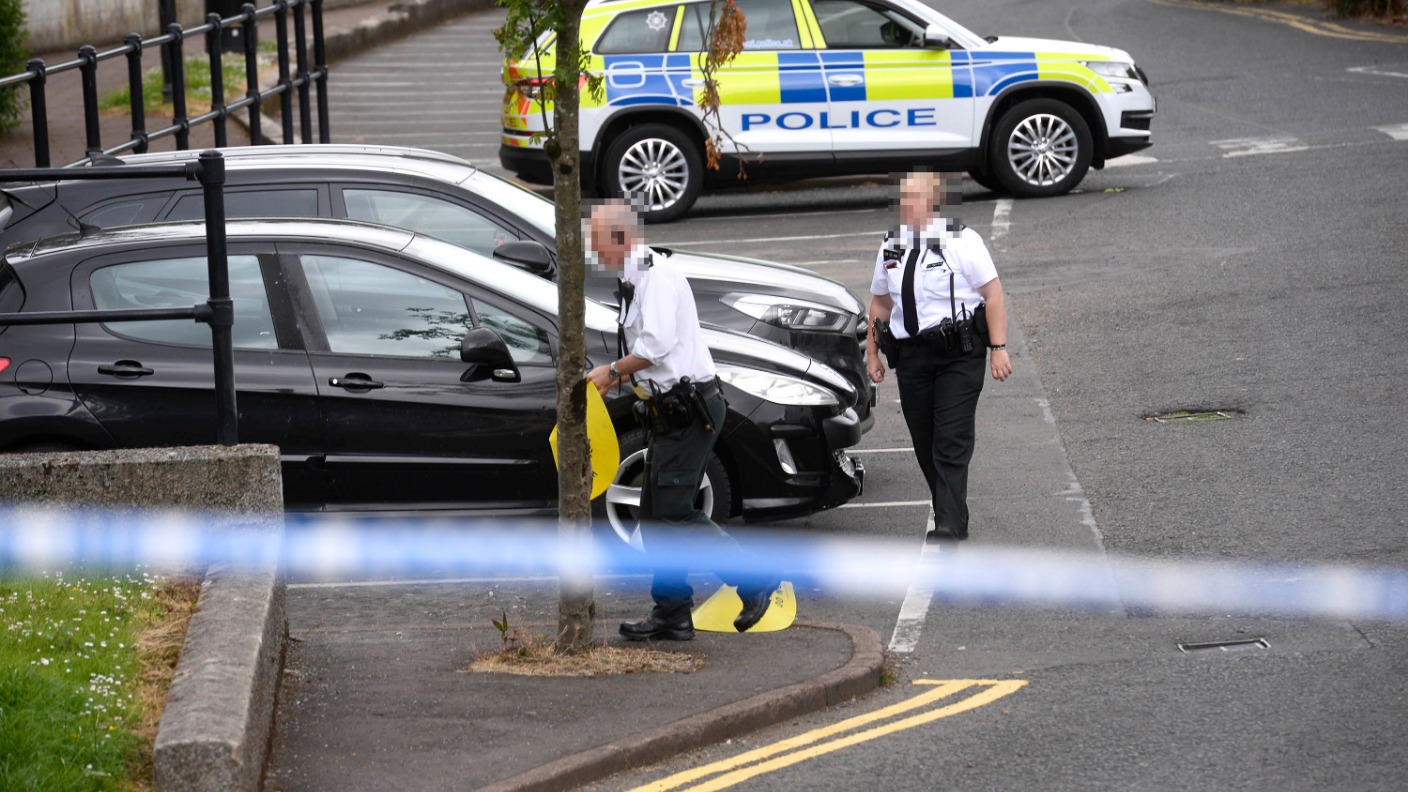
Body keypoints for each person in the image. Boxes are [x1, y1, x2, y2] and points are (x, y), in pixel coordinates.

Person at [585, 200, 778, 640]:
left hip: (689, 410)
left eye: (597, 241)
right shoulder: (633, 277)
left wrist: (612, 371)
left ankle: (752, 578)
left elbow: (654, 345)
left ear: (621, 239)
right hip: (669, 411)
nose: (593, 251)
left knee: (672, 513)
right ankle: (671, 613)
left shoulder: (657, 278)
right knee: (655, 516)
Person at [866, 171, 1013, 542]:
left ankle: (948, 523)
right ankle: (951, 508)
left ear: (933, 202)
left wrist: (998, 348)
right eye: (903, 199)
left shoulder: (962, 241)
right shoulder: (891, 244)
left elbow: (993, 295)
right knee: (924, 439)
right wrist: (872, 353)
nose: (906, 206)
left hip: (958, 355)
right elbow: (881, 303)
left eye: (914, 199)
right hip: (912, 357)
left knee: (951, 437)